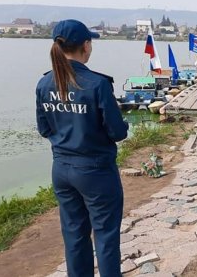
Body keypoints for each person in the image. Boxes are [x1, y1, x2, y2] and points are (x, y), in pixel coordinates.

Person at [36, 19, 128, 277]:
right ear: (86, 46)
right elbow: (117, 132)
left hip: (62, 170)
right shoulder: (97, 84)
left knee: (74, 236)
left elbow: (44, 129)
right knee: (106, 236)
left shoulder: (44, 84)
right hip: (96, 171)